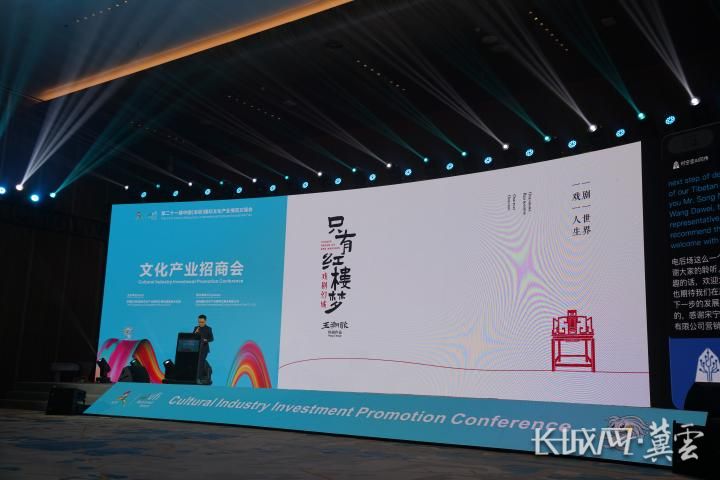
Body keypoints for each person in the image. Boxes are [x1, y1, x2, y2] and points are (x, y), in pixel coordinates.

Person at [193, 314, 213, 381]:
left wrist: (205, 340)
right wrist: (195, 332)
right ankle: (196, 376)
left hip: (204, 349)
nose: (200, 323)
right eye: (199, 322)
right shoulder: (196, 328)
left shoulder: (208, 329)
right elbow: (192, 337)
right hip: (196, 349)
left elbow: (211, 338)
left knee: (201, 362)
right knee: (196, 363)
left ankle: (200, 377)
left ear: (205, 321)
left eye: (202, 322)